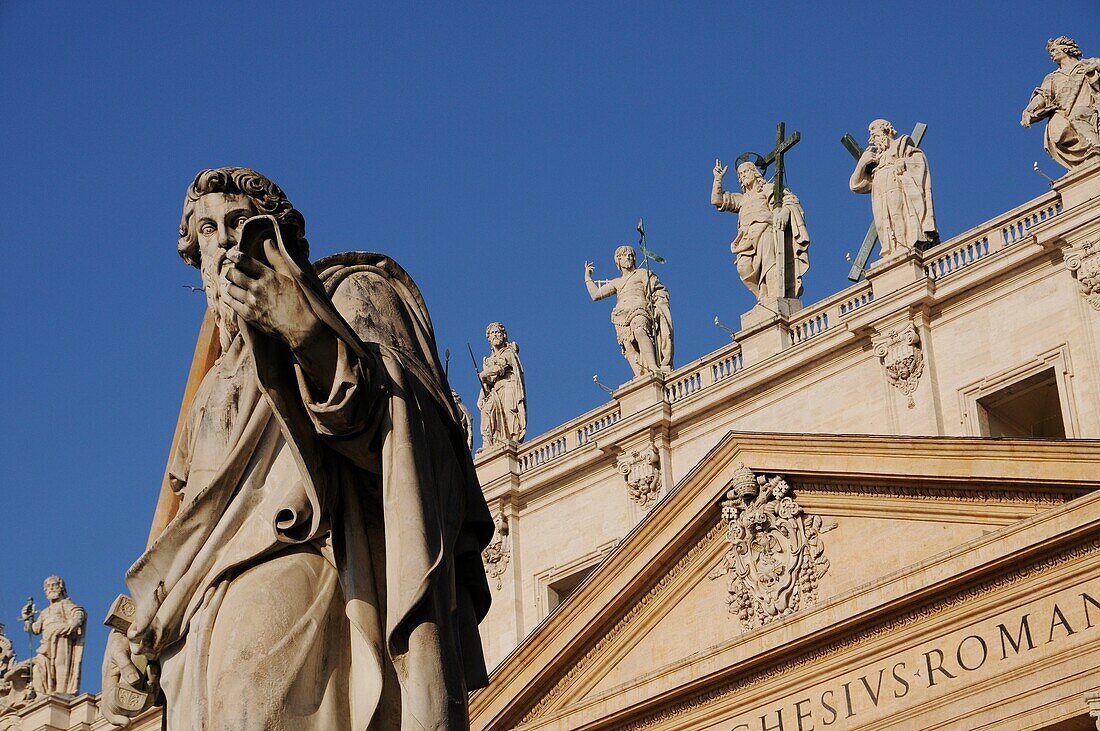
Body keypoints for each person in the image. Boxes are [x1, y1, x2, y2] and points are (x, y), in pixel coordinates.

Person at [101, 167, 493, 729]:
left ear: (274, 236)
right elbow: (183, 525)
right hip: (195, 620)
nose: (223, 241)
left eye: (238, 222)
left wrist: (305, 331)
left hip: (291, 567)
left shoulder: (344, 297)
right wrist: (139, 620)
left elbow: (397, 434)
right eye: (206, 229)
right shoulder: (208, 390)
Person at [712, 160, 810, 302]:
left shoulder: (769, 189)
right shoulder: (741, 199)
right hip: (746, 238)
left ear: (755, 173)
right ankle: (763, 297)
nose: (742, 176)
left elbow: (791, 200)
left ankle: (774, 297)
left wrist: (785, 212)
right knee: (743, 267)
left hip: (766, 230)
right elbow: (717, 200)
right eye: (740, 174)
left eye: (745, 172)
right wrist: (718, 178)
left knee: (770, 265)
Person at [849, 119, 938, 258]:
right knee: (882, 223)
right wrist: (862, 164)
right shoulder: (874, 159)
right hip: (879, 192)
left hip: (897, 185)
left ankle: (904, 247)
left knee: (900, 216)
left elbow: (919, 161)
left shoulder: (902, 145)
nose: (871, 137)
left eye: (874, 130)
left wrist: (904, 162)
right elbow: (855, 185)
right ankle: (891, 251)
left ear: (886, 129)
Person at [584, 246, 673, 378]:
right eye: (625, 256)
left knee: (639, 330)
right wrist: (587, 277)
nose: (629, 258)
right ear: (618, 261)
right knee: (628, 345)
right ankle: (641, 375)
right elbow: (595, 295)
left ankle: (653, 366)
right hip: (620, 316)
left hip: (640, 309)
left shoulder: (642, 273)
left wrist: (658, 303)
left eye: (631, 255)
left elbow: (658, 290)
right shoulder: (617, 282)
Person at [1022, 36, 1100, 170]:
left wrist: (1094, 69)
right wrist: (1029, 111)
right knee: (1057, 132)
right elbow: (1043, 96)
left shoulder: (1087, 64)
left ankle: (1095, 148)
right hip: (1064, 113)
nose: (1051, 54)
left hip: (1089, 107)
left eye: (1054, 50)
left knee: (1078, 116)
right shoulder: (1053, 77)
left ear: (1065, 48)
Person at [24, 576, 85, 696]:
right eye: (48, 587)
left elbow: (78, 612)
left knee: (60, 664)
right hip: (46, 643)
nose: (51, 589)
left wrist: (73, 624)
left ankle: (61, 692)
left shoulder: (65, 603)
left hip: (61, 636)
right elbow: (35, 629)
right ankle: (43, 696)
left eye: (54, 585)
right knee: (38, 668)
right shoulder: (45, 612)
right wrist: (27, 618)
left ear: (61, 587)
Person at [476, 323, 526, 448]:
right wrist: (482, 395)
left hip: (509, 386)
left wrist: (484, 374)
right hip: (495, 391)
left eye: (497, 332)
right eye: (492, 333)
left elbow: (500, 367)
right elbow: (487, 382)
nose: (495, 335)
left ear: (503, 335)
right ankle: (488, 442)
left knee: (509, 413)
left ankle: (512, 440)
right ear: (488, 338)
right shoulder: (488, 359)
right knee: (487, 411)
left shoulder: (508, 352)